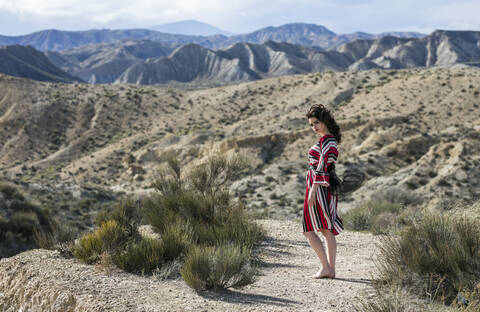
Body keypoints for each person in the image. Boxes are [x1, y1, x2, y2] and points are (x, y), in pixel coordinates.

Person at [303, 104, 343, 279]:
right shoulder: (327, 140)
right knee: (325, 229)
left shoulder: (327, 140)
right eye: (311, 124)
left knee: (309, 229)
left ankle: (327, 268)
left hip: (319, 186)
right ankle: (329, 269)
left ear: (325, 120)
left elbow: (322, 165)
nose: (314, 127)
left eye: (317, 122)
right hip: (322, 186)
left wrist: (313, 189)